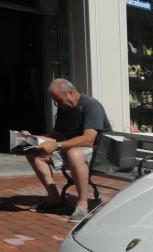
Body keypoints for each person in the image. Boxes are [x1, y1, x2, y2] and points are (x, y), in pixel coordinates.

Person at [20, 78, 112, 222]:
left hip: (99, 152)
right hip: (73, 150)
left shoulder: (91, 106)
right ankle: (54, 200)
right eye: (56, 101)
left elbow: (89, 139)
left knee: (74, 153)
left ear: (70, 92)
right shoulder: (64, 109)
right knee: (33, 153)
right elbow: (55, 136)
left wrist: (57, 145)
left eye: (60, 100)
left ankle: (82, 206)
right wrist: (31, 138)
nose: (58, 104)